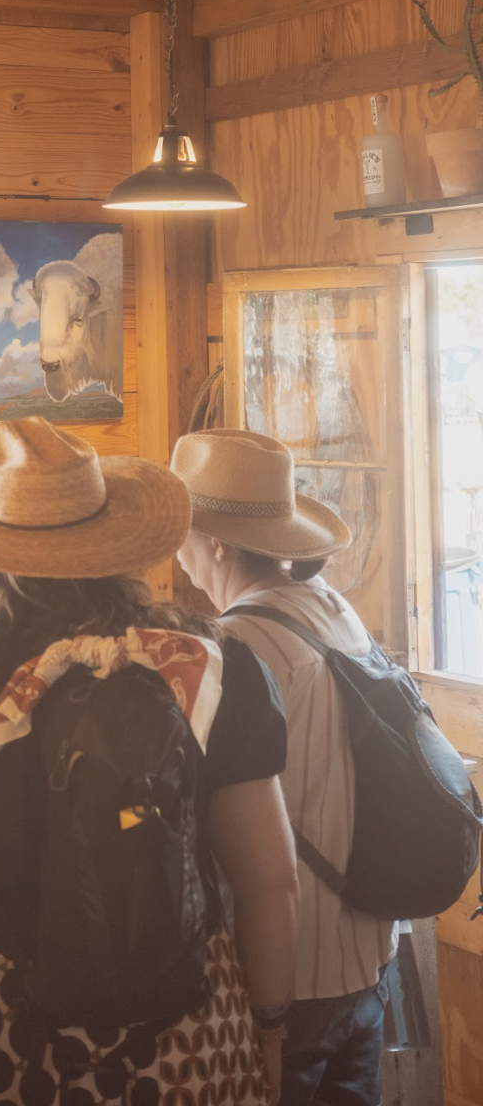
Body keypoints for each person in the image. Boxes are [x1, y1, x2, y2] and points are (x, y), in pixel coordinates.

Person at [0, 417, 300, 1106]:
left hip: (0, 1032)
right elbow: (269, 881)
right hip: (186, 1031)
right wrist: (270, 1029)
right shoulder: (215, 666)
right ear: (115, 539)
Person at [171, 427, 397, 1106]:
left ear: (216, 544)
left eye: (183, 533)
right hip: (366, 958)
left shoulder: (230, 651)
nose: (177, 554)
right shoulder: (335, 613)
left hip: (285, 977)